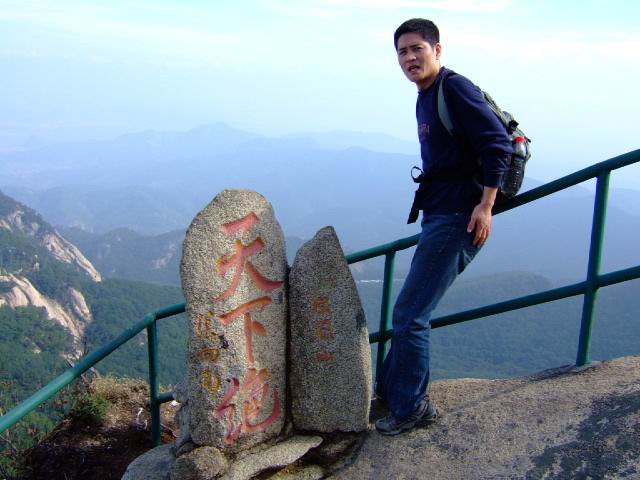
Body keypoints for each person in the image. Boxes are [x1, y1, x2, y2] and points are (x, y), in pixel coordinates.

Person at [374, 18, 512, 435]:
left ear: (437, 50)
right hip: (440, 214)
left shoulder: (454, 88)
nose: (409, 58)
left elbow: (497, 143)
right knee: (408, 311)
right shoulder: (427, 94)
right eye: (402, 51)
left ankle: (412, 408)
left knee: (411, 313)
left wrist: (486, 205)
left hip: (458, 217)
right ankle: (391, 392)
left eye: (417, 48)